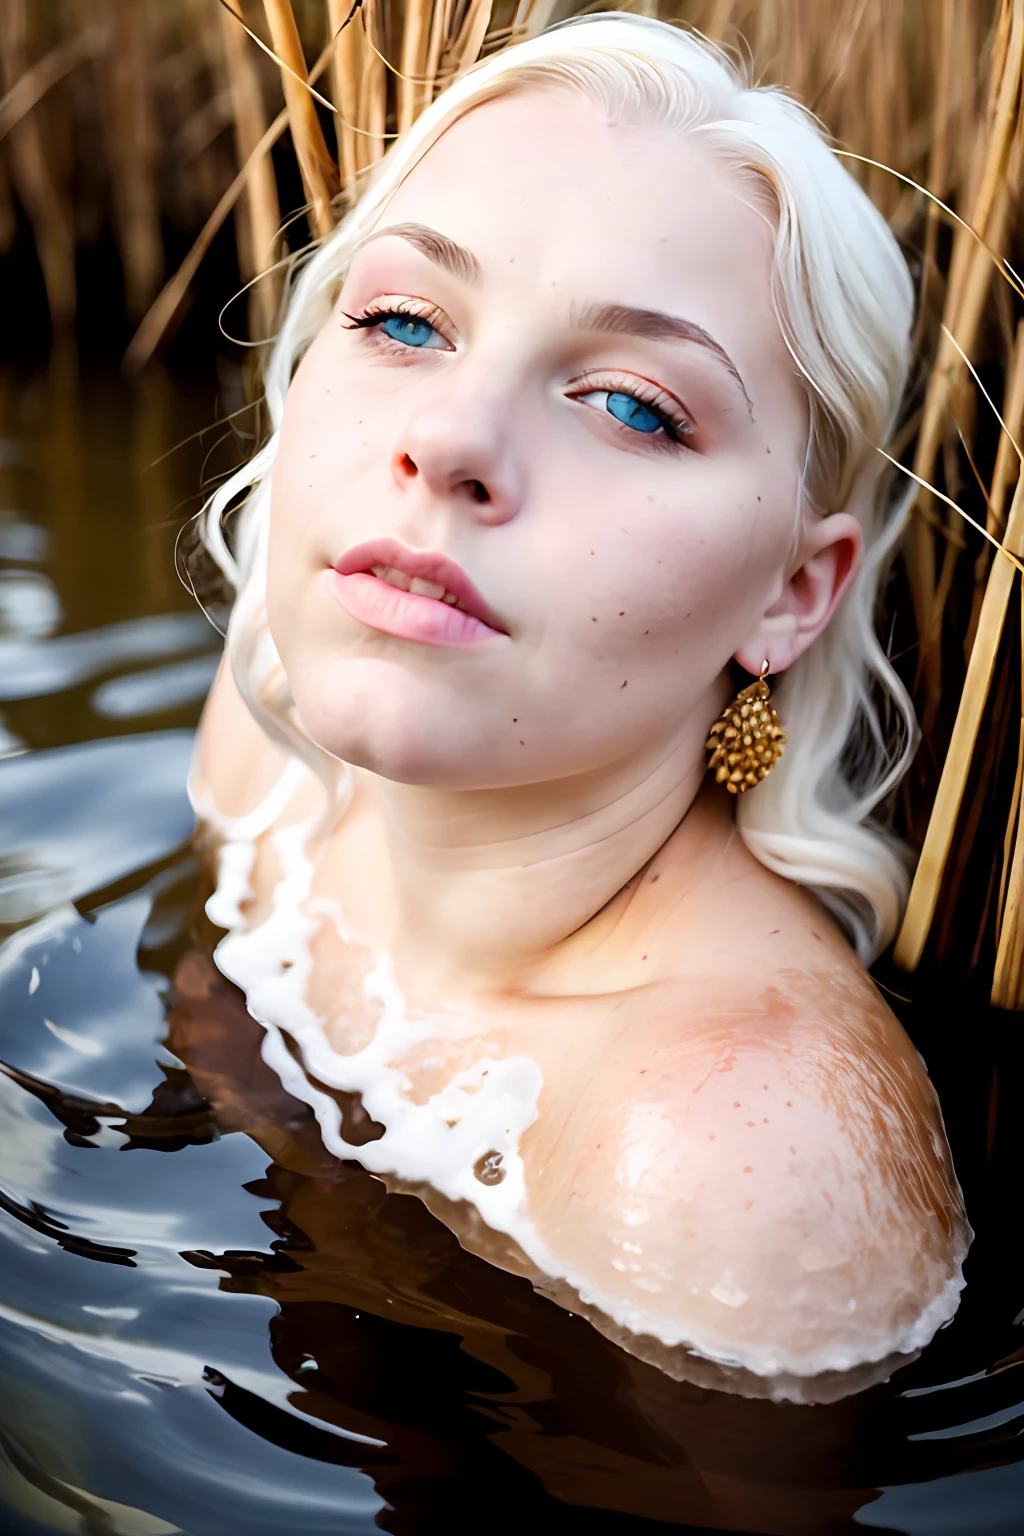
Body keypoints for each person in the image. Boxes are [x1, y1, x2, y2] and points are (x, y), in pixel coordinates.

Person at [187, 12, 970, 1395]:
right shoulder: (268, 732)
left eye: (630, 406)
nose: (452, 443)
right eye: (406, 320)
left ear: (795, 593)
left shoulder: (740, 1152)